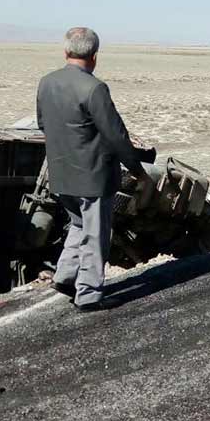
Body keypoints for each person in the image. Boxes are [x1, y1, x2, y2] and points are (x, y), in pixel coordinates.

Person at [37, 27, 154, 311]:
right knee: (96, 233)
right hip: (92, 177)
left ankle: (65, 277)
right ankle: (88, 294)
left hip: (60, 172)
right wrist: (137, 171)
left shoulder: (46, 82)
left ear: (66, 52)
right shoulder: (94, 88)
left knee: (78, 225)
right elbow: (116, 136)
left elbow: (43, 123)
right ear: (95, 55)